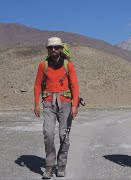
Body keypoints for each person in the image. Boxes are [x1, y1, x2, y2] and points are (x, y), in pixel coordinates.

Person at [33, 37, 79, 179]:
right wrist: (36, 104)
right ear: (47, 49)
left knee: (63, 135)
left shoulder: (68, 65)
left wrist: (75, 104)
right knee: (48, 133)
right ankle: (49, 165)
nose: (53, 49)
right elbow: (37, 85)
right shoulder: (43, 65)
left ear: (60, 48)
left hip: (65, 104)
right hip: (48, 104)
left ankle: (62, 165)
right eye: (51, 47)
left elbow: (75, 85)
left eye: (56, 47)